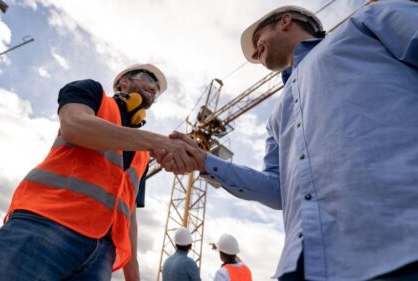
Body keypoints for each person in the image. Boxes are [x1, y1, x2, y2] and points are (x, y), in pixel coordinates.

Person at [159, 1, 418, 280]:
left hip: (402, 245)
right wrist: (206, 161)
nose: (256, 54)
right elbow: (278, 189)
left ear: (285, 21)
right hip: (304, 267)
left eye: (258, 40)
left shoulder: (366, 24)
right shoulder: (278, 115)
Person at [0, 63, 197, 281]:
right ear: (123, 84)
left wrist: (133, 277)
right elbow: (74, 126)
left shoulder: (142, 154)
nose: (154, 87)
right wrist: (154, 141)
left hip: (100, 255)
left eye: (157, 89)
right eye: (148, 78)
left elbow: (129, 215)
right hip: (46, 225)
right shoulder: (93, 93)